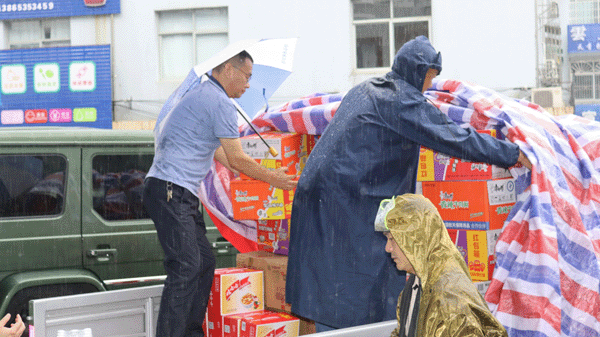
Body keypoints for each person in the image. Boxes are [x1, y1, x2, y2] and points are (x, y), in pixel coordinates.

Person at [285, 35, 531, 332]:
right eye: (430, 76)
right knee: (357, 286)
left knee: (329, 284)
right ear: (419, 70)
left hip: (324, 200)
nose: (430, 85)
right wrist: (513, 154)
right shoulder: (399, 100)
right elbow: (453, 136)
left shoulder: (367, 89)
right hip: (349, 203)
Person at [143, 50, 297, 337]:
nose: (249, 84)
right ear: (228, 69)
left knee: (204, 261)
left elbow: (222, 155)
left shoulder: (203, 97)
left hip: (174, 192)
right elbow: (238, 159)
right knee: (186, 265)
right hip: (170, 190)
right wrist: (274, 179)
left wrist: (255, 177)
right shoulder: (219, 103)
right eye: (247, 76)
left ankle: (190, 332)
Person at [375, 194, 508, 337]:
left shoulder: (450, 299)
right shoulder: (415, 284)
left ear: (416, 238)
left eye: (392, 239)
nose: (387, 248)